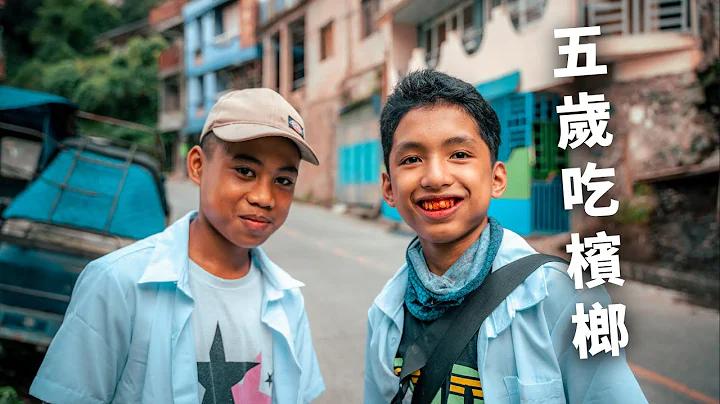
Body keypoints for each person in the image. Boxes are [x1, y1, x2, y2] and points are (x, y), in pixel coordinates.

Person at [363, 70, 647, 403]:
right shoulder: (385, 311)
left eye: (460, 154)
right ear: (389, 188)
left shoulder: (565, 297)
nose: (436, 177)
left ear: (497, 178)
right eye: (412, 159)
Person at [30, 88, 325, 404]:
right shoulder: (118, 282)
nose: (264, 198)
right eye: (245, 171)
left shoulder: (287, 299)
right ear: (198, 166)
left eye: (283, 181)